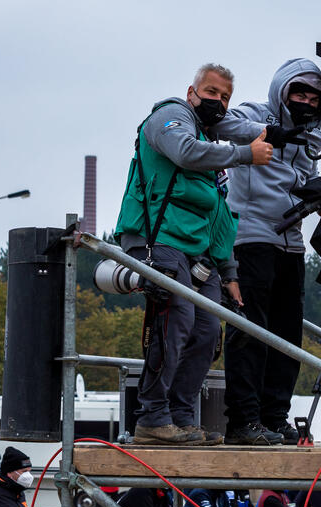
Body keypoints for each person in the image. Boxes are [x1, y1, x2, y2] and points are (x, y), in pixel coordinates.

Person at [113, 63, 282, 446]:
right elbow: (185, 152)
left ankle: (182, 417)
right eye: (211, 92)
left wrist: (229, 270)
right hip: (160, 242)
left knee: (207, 330)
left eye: (225, 97)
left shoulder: (210, 147)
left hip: (198, 254)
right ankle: (153, 416)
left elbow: (220, 214)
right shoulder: (170, 117)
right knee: (176, 321)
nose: (217, 101)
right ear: (192, 93)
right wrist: (244, 154)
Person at [223, 58, 321, 445]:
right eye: (299, 93)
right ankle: (243, 421)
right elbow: (221, 125)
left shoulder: (314, 134)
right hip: (251, 237)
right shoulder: (256, 113)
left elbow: (303, 178)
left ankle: (274, 417)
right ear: (282, 91)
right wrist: (271, 132)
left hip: (292, 242)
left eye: (314, 98)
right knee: (250, 330)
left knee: (287, 335)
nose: (306, 102)